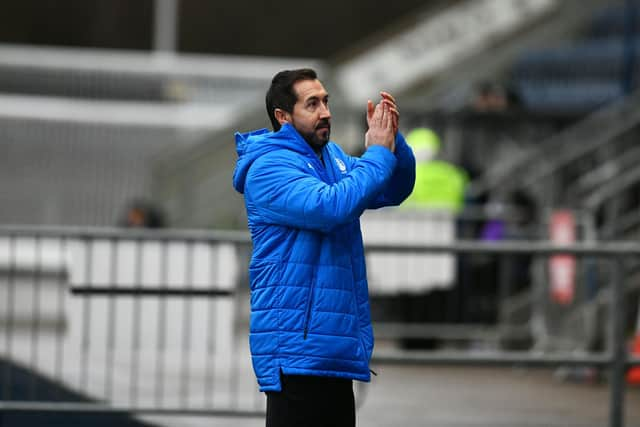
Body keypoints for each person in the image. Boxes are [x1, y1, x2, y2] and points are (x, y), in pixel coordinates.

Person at [232, 68, 415, 427]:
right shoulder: (269, 167)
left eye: (326, 101)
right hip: (297, 352)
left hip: (333, 348)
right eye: (312, 104)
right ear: (283, 117)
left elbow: (391, 188)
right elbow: (331, 207)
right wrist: (378, 153)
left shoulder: (330, 156)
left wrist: (392, 141)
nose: (325, 111)